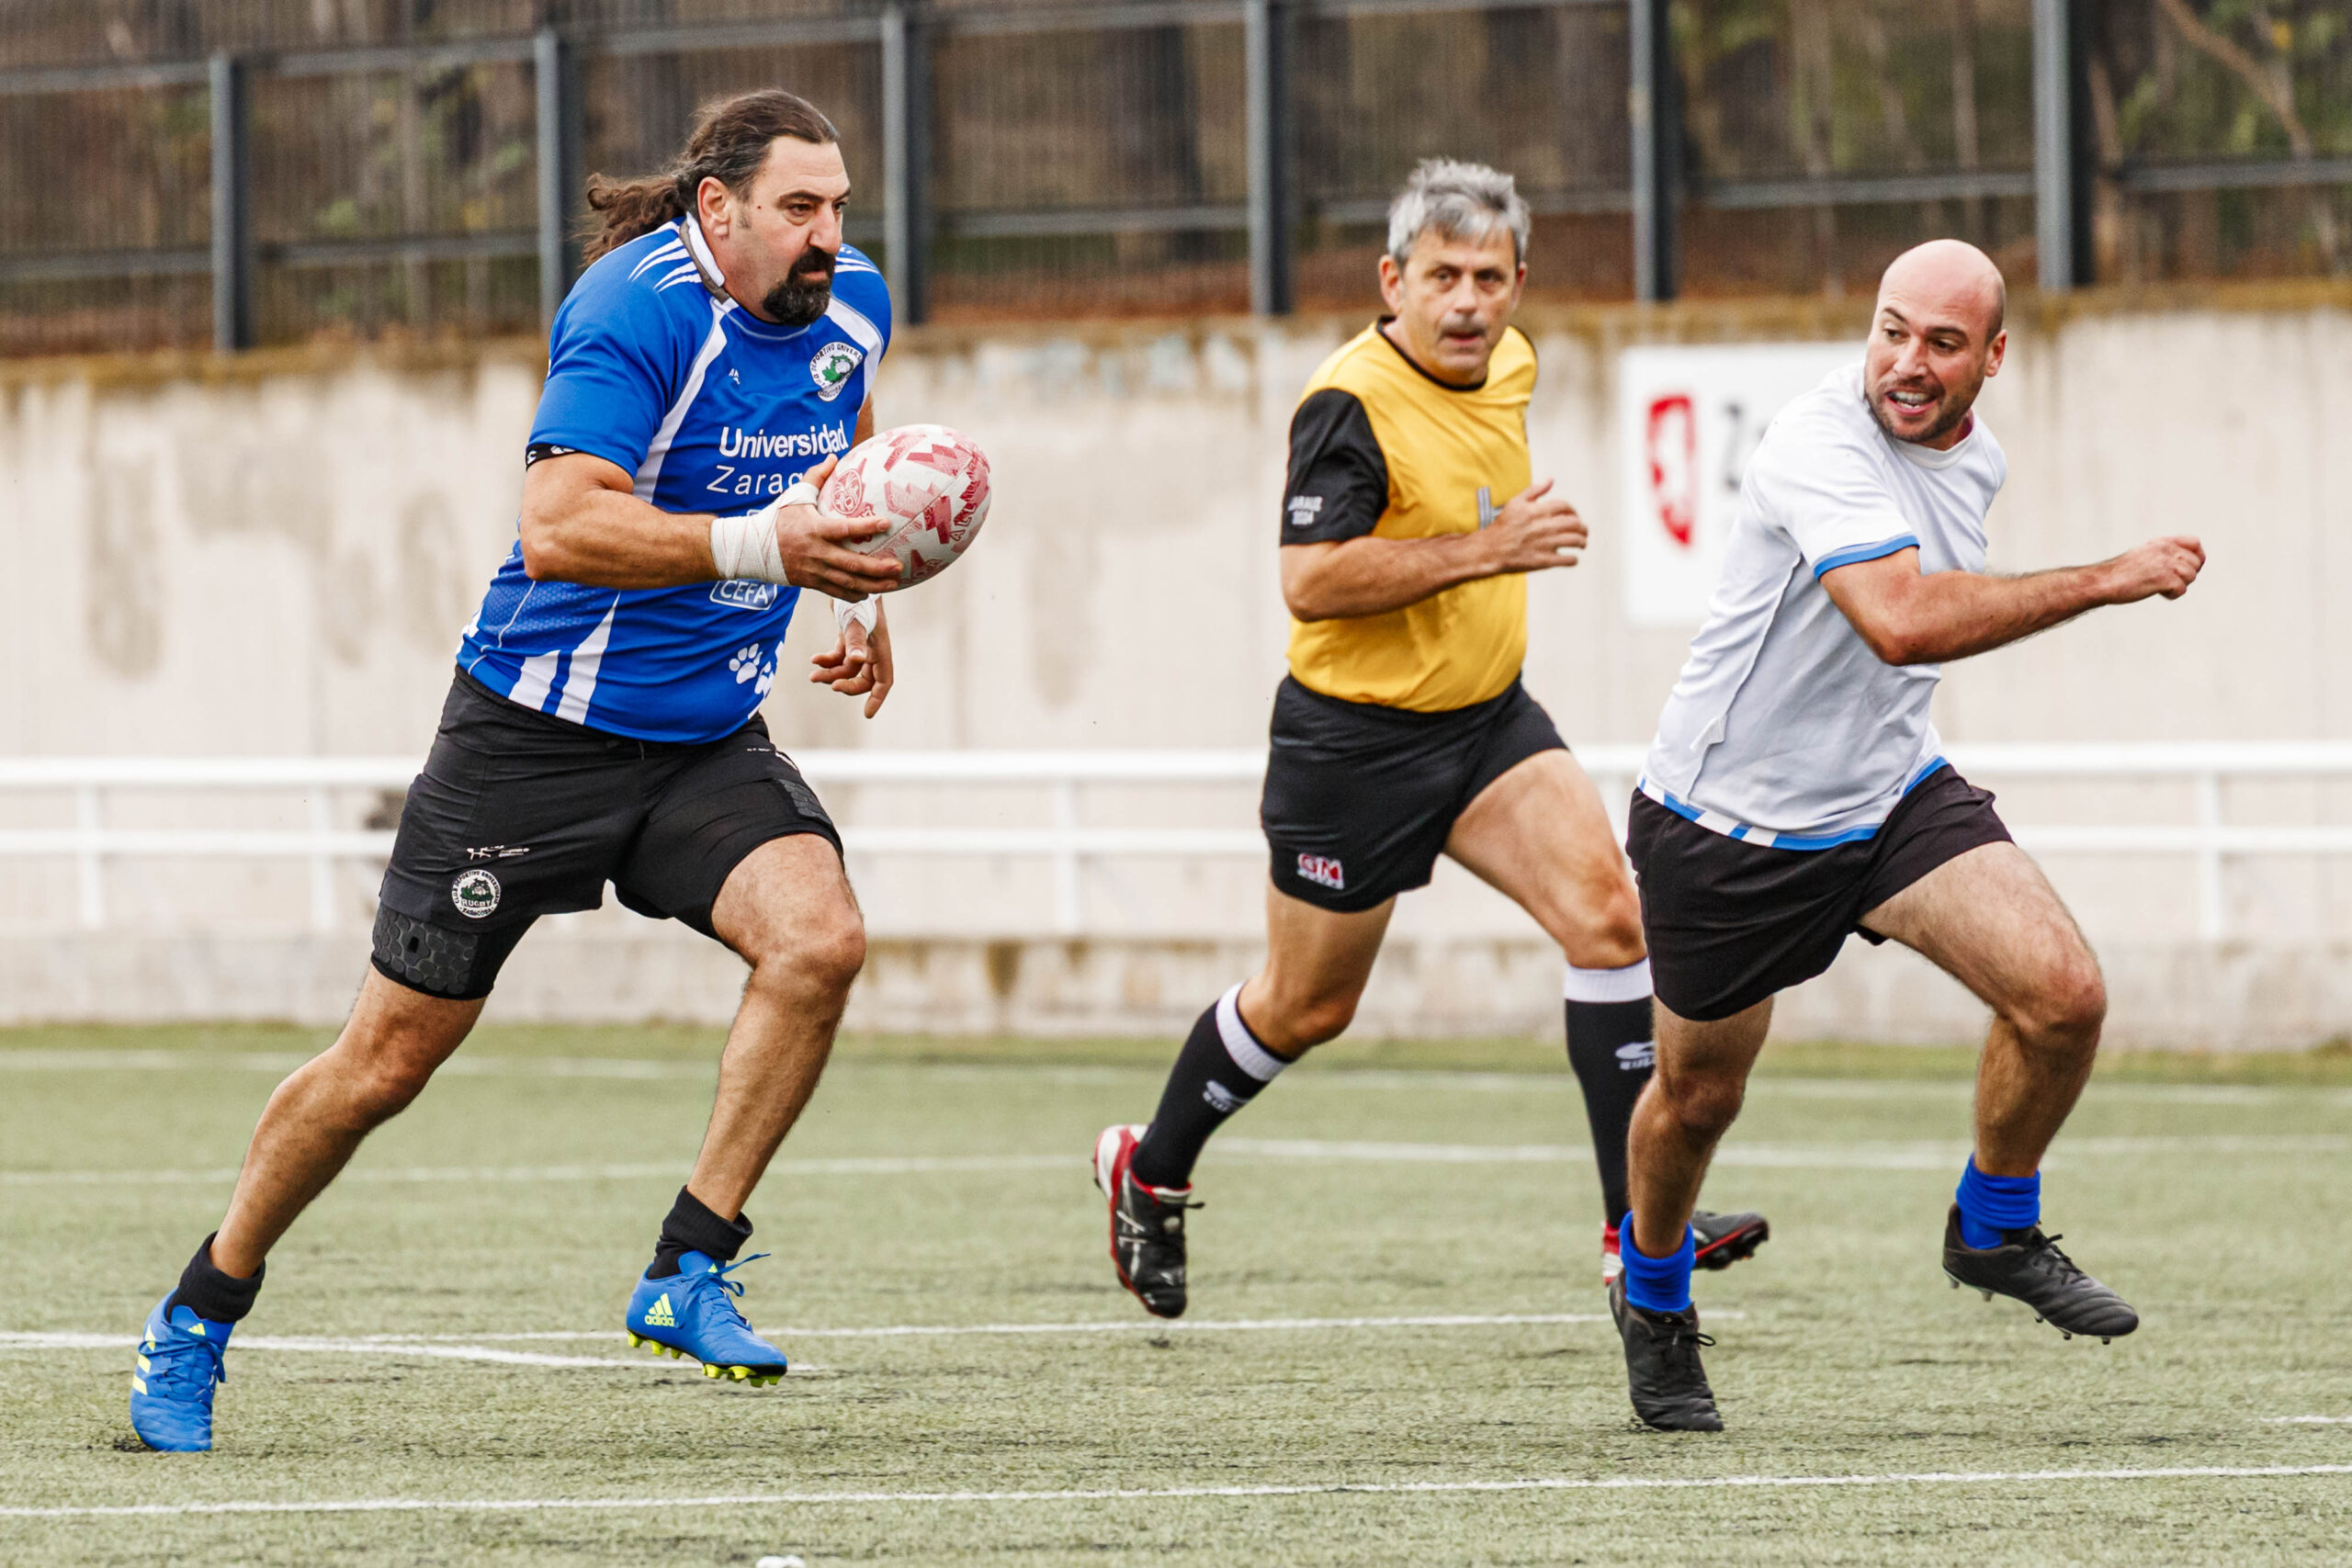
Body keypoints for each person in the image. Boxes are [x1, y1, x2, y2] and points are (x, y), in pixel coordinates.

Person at [129, 89, 908, 1452]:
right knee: (383, 1063)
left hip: (704, 741)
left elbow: (838, 445)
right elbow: (558, 527)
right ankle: (201, 1307)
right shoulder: (633, 309)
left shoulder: (852, 309)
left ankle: (688, 1262)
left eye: (840, 205)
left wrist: (864, 582)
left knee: (821, 939)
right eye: (799, 207)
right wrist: (768, 549)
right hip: (531, 736)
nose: (829, 234)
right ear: (717, 212)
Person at [1090, 160, 1768, 1323]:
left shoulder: (1509, 363)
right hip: (1350, 748)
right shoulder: (1345, 404)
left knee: (1614, 922)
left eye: (1489, 278)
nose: (1467, 302)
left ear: (1517, 284)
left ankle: (1631, 1234)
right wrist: (1485, 552)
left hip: (1487, 721)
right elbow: (1310, 580)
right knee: (1304, 1008)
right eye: (1442, 277)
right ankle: (1149, 1167)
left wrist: (1482, 555)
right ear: (1390, 281)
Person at [1608, 239, 2206, 1432]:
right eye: (1891, 329)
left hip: (1886, 796)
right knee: (1698, 1095)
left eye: (1941, 341)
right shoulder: (1814, 440)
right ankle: (1655, 1291)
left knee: (2064, 995)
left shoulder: (1973, 453)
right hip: (1730, 825)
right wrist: (2105, 577)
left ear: (1993, 356)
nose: (1908, 362)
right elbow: (1900, 620)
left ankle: (1992, 1225)